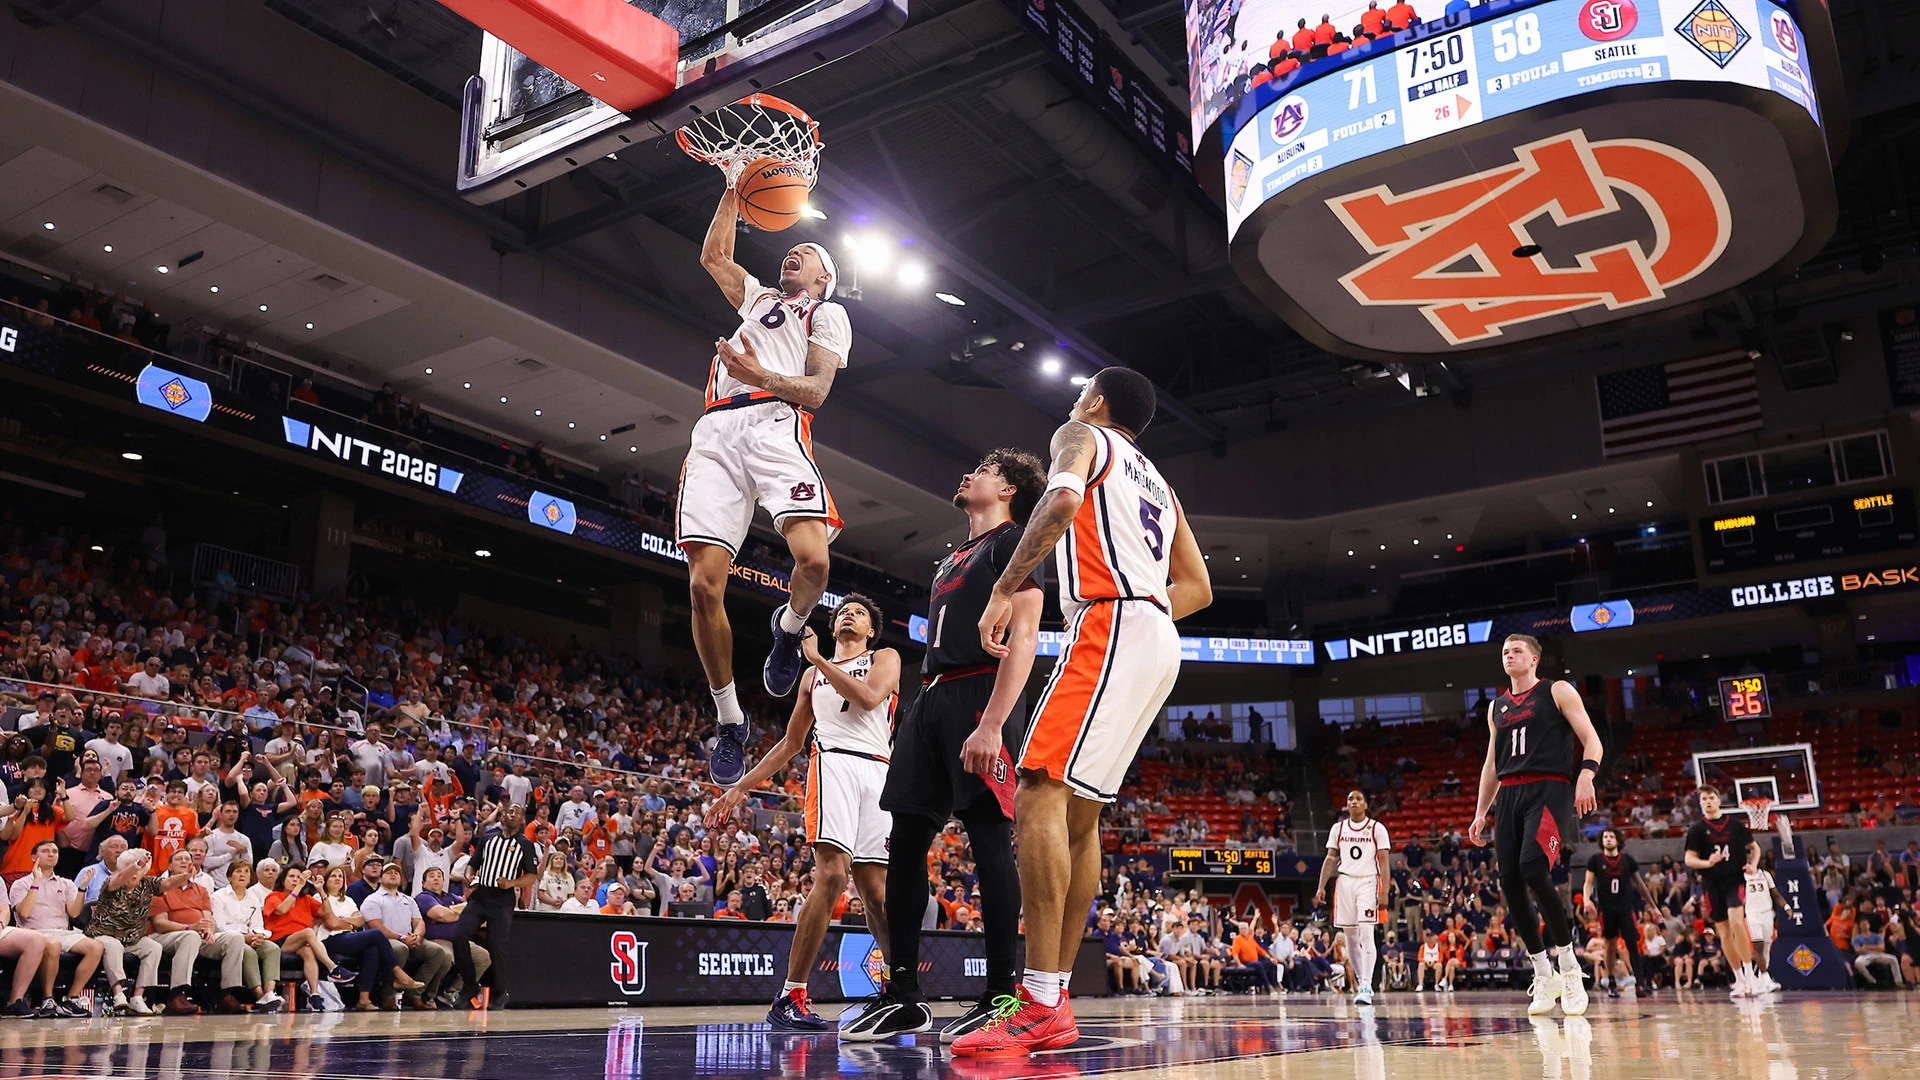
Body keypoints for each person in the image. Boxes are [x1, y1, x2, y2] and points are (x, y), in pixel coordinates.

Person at [957, 368, 1211, 1057]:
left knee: (1037, 789)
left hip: (1111, 621)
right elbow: (1198, 586)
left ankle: (1040, 1000)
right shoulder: (1161, 483)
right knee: (1080, 812)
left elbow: (1063, 500)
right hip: (1155, 635)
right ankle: (1054, 996)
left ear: (1096, 402)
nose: (1074, 402)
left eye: (1081, 393)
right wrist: (1146, 613)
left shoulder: (1081, 434)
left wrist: (1005, 589)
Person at [842, 450, 1046, 1044]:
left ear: (1008, 490)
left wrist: (993, 723)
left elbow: (1026, 635)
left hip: (980, 693)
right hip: (930, 696)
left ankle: (1001, 994)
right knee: (905, 841)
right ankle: (903, 996)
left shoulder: (1013, 542)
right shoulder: (953, 556)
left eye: (985, 470)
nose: (968, 474)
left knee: (987, 834)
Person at [687, 186, 851, 786]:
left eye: (808, 253)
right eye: (793, 247)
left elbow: (817, 392)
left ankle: (788, 628)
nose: (794, 252)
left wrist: (759, 373)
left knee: (816, 564)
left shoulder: (827, 314)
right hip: (718, 431)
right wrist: (732, 187)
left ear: (824, 278)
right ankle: (731, 720)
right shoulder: (758, 298)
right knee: (704, 586)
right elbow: (714, 256)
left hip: (779, 425)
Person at [706, 595, 898, 1029]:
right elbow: (791, 743)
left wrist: (818, 659)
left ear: (870, 630)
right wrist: (741, 787)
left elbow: (870, 698)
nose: (849, 614)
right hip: (832, 762)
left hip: (879, 772)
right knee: (832, 876)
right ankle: (791, 994)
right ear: (833, 627)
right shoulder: (811, 676)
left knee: (877, 894)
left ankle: (895, 986)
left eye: (859, 613)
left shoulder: (883, 657)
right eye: (843, 612)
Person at [1466, 634, 1603, 1018]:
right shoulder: (1496, 707)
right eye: (1505, 652)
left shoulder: (1557, 691)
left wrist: (1586, 774)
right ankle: (1544, 972)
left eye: (1516, 651)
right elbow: (1492, 764)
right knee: (1509, 881)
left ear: (1534, 659)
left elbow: (1592, 739)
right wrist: (1481, 811)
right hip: (1510, 794)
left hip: (1549, 789)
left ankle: (1570, 967)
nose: (1509, 656)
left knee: (1532, 867)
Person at [452, 802, 538, 1010]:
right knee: (459, 936)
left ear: (522, 820)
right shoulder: (487, 838)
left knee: (496, 946)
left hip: (503, 899)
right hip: (480, 895)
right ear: (501, 817)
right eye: (509, 811)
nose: (512, 815)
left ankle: (500, 992)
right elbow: (473, 863)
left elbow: (531, 876)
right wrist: (469, 875)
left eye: (517, 812)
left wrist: (512, 883)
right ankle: (470, 986)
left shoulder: (525, 844)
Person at [1685, 787, 1762, 999]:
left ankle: (1750, 975)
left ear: (1719, 800)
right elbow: (1689, 859)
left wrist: (1753, 865)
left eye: (1712, 797)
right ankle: (1739, 979)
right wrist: (1707, 863)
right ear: (1700, 803)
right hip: (1711, 883)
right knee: (1724, 932)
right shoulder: (1697, 829)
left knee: (1737, 922)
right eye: (1704, 799)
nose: (1708, 801)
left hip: (1734, 879)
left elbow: (1755, 848)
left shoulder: (1735, 824)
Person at [9, 839, 100, 1016]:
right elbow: (24, 913)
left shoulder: (66, 883)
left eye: (55, 851)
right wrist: (36, 881)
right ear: (33, 857)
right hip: (34, 933)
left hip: (63, 931)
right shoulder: (21, 884)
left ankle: (71, 999)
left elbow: (74, 913)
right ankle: (47, 999)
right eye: (45, 851)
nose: (51, 854)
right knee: (53, 944)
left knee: (96, 947)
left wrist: (82, 888)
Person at [1315, 789, 1388, 1004]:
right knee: (1351, 937)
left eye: (1358, 799)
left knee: (1366, 932)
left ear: (1366, 805)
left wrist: (1384, 891)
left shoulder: (1377, 828)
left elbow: (1384, 861)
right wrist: (1321, 886)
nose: (1353, 802)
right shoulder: (1338, 828)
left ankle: (1366, 983)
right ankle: (1362, 981)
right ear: (1346, 805)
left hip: (1368, 881)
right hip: (1345, 881)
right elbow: (1330, 858)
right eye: (1350, 799)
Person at [1583, 826, 1657, 997]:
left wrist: (1653, 906)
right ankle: (1611, 982)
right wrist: (1587, 899)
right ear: (1601, 841)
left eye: (1611, 836)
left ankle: (1639, 982)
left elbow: (1640, 884)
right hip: (1606, 908)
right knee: (1609, 944)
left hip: (1625, 907)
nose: (1608, 839)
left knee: (1632, 944)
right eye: (1605, 837)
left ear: (1618, 840)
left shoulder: (1627, 860)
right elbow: (1588, 882)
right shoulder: (1595, 860)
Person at [362, 862, 448, 1009]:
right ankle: (387, 995)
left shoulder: (408, 899)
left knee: (438, 951)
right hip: (385, 940)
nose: (393, 874)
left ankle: (414, 993)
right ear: (380, 879)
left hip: (410, 939)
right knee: (401, 949)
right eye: (389, 872)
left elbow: (419, 922)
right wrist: (401, 938)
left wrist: (417, 936)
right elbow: (376, 927)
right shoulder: (373, 899)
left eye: (396, 873)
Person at [211, 861, 286, 1010]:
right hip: (226, 939)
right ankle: (259, 995)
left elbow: (257, 926)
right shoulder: (218, 897)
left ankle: (269, 993)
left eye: (246, 872)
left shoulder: (253, 899)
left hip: (249, 937)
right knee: (248, 952)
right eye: (238, 871)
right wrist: (245, 938)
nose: (242, 875)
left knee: (272, 949)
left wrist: (259, 936)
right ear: (229, 877)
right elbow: (219, 927)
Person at [1744, 855, 1787, 994]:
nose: (1749, 862)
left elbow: (1775, 894)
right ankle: (1765, 977)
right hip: (1752, 915)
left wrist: (1786, 906)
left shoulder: (1765, 875)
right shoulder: (1741, 877)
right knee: (1758, 946)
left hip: (1767, 913)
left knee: (1767, 947)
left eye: (1751, 859)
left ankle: (1762, 980)